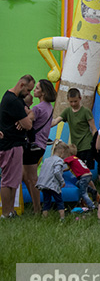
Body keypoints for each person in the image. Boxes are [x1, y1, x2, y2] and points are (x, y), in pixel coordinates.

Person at [0, 74, 35, 218]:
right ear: (21, 85)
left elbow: (30, 113)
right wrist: (24, 121)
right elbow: (28, 124)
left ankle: (10, 211)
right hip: (10, 145)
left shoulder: (15, 99)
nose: (29, 94)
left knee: (13, 180)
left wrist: (25, 118)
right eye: (28, 90)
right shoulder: (13, 101)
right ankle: (6, 212)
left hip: (13, 144)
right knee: (8, 180)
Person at [22, 79, 56, 214]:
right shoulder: (49, 107)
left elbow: (27, 122)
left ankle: (37, 208)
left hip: (32, 145)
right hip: (40, 145)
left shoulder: (38, 108)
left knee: (31, 178)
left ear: (43, 92)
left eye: (36, 88)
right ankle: (36, 206)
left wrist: (23, 109)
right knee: (26, 176)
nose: (34, 91)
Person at [51, 88, 97, 168]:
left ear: (80, 98)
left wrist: (95, 145)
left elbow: (93, 129)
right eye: (71, 101)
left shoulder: (86, 111)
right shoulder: (67, 111)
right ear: (68, 100)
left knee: (85, 170)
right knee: (77, 169)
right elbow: (55, 122)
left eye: (75, 101)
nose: (73, 104)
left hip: (86, 145)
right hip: (75, 147)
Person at [35, 141, 68, 220]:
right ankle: (62, 217)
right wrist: (62, 181)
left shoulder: (47, 160)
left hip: (44, 185)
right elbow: (57, 172)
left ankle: (44, 217)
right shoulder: (59, 160)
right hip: (53, 185)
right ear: (62, 151)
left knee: (46, 202)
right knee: (59, 201)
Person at [64, 143, 97, 212]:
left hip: (84, 177)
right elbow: (69, 168)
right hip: (88, 175)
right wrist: (63, 170)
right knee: (78, 184)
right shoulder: (75, 158)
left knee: (83, 193)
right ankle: (92, 190)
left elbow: (62, 162)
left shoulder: (70, 158)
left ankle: (92, 206)